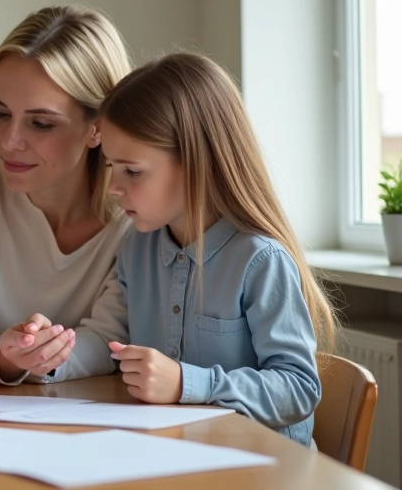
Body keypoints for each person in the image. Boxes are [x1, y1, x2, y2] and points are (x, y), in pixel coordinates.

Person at [101, 53, 336, 446]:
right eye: (110, 166)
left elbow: (298, 388)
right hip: (178, 455)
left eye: (132, 170)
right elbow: (112, 340)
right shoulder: (136, 248)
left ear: (197, 163)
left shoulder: (260, 260)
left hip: (265, 469)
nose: (112, 186)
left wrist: (186, 382)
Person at [0, 6, 132, 384]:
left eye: (41, 123)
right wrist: (11, 359)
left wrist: (42, 356)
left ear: (97, 128)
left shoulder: (134, 211)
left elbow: (111, 338)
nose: (9, 142)